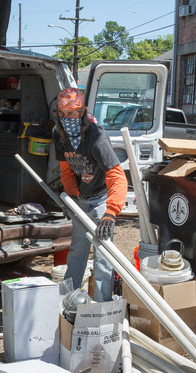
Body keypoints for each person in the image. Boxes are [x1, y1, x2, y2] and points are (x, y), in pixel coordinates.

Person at [53, 88, 127, 302]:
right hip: (81, 199)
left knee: (103, 255)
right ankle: (68, 300)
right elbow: (66, 169)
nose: (67, 118)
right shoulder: (59, 135)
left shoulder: (96, 137)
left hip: (102, 199)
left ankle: (103, 305)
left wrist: (111, 213)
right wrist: (72, 200)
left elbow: (117, 176)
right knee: (77, 251)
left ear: (83, 112)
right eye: (62, 113)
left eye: (73, 113)